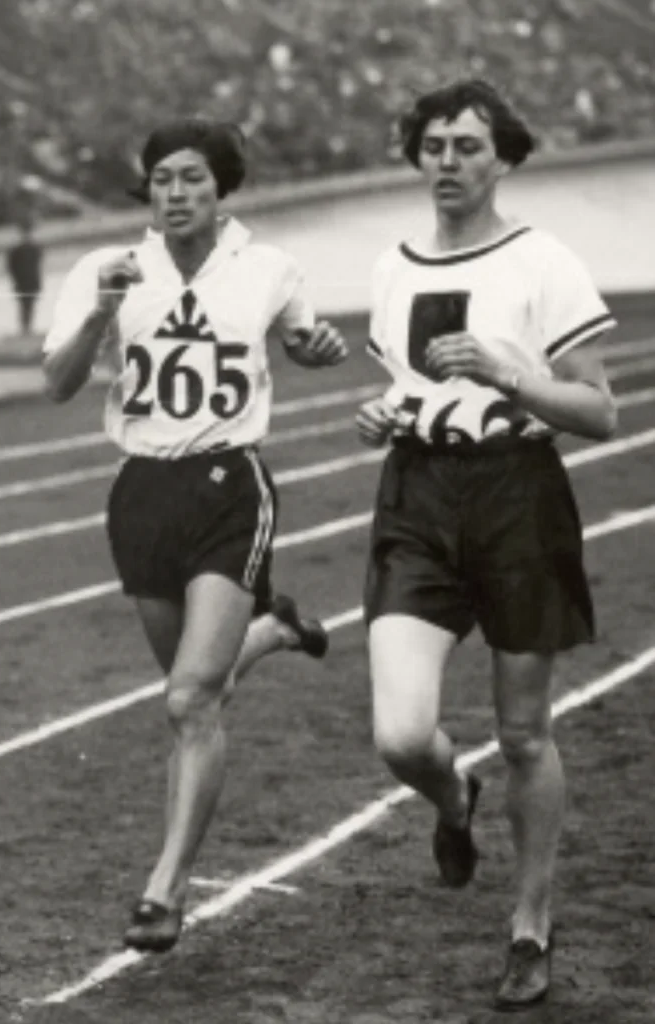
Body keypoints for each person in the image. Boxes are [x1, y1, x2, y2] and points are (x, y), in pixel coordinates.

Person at [42, 118, 348, 954]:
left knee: (188, 701)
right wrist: (99, 313)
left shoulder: (267, 268)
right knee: (195, 690)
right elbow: (59, 383)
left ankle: (164, 888)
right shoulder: (104, 271)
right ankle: (276, 627)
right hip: (141, 492)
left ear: (222, 188)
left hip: (227, 485)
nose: (175, 194)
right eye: (162, 180)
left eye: (191, 179)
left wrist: (320, 349)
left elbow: (306, 340)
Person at [356, 78, 617, 1011]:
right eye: (433, 146)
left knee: (522, 731)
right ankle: (449, 800)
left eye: (468, 146)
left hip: (517, 496)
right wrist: (382, 412)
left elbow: (600, 409)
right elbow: (408, 388)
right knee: (397, 732)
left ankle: (529, 924)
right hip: (419, 495)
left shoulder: (543, 261)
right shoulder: (391, 268)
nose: (448, 163)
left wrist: (512, 374)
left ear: (501, 158)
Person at [6, 216, 43, 335]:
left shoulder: (20, 249)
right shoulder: (32, 248)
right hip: (27, 281)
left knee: (27, 305)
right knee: (26, 305)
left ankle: (26, 328)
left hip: (25, 281)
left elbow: (11, 267)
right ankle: (26, 328)